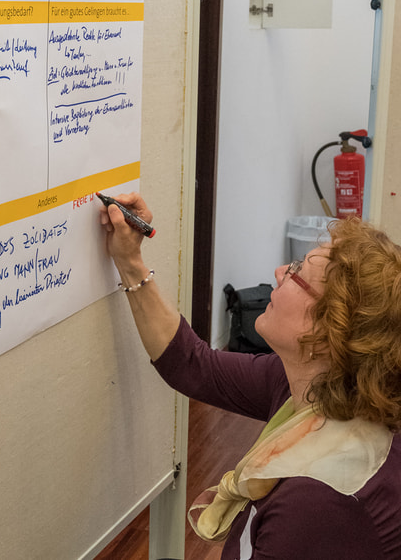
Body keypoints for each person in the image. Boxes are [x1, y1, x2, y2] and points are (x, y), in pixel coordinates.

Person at [99, 192, 401, 559]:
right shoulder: (319, 387)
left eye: (297, 273)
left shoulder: (317, 503)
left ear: (328, 329)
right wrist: (130, 261)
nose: (278, 273)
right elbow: (192, 366)